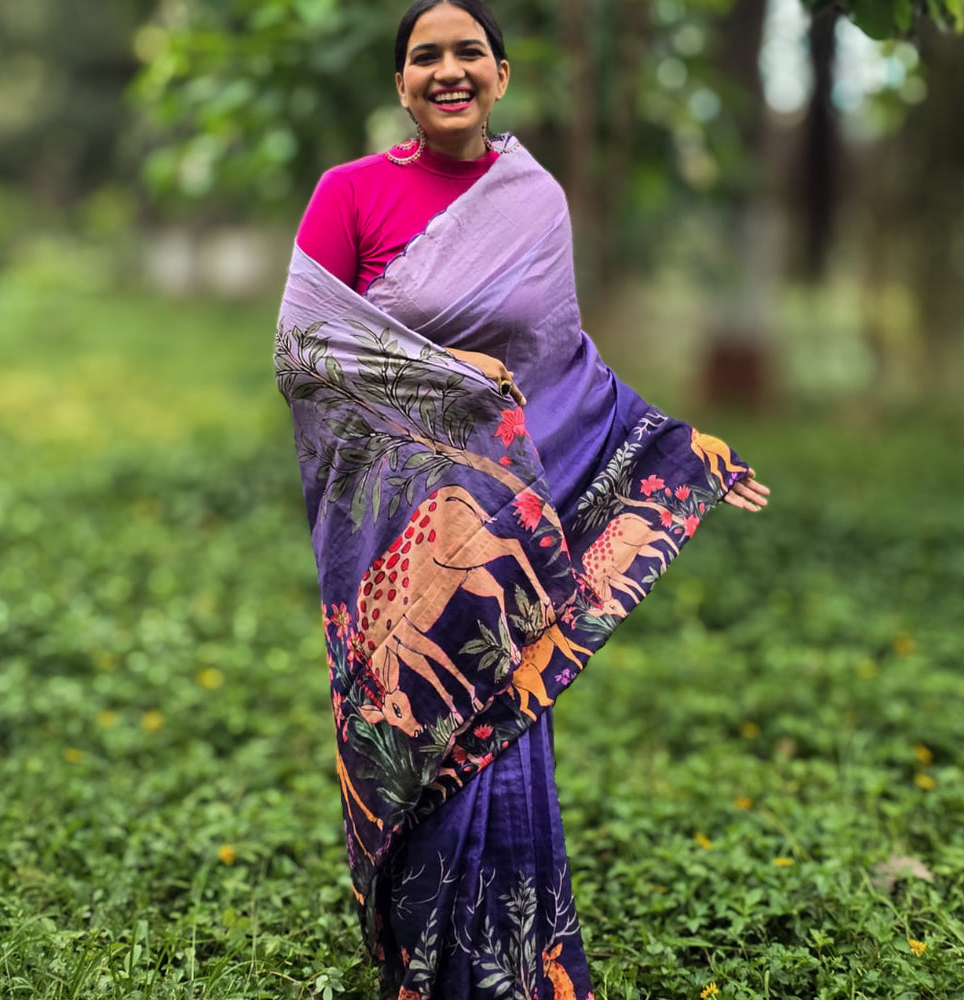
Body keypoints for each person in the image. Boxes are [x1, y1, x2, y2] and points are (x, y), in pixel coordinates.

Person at [275, 2, 770, 997]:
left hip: (501, 529)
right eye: (425, 57)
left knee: (495, 738)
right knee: (413, 737)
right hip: (398, 536)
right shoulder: (349, 193)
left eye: (468, 53)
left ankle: (511, 964)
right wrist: (440, 366)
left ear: (500, 75)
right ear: (402, 82)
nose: (447, 70)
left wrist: (674, 450)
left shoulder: (532, 197)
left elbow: (561, 369)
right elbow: (305, 349)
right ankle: (422, 968)